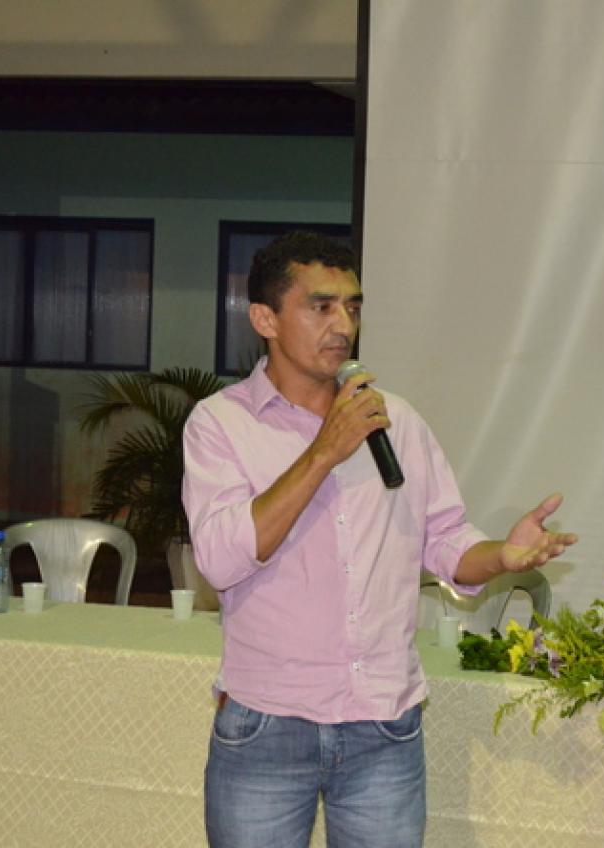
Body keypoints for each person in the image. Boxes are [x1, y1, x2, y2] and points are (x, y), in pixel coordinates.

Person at [182, 230, 576, 847]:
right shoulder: (220, 424)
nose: (343, 325)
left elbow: (447, 541)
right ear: (265, 319)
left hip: (383, 726)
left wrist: (501, 555)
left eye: (353, 307)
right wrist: (324, 451)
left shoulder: (398, 421)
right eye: (321, 306)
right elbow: (219, 560)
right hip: (267, 723)